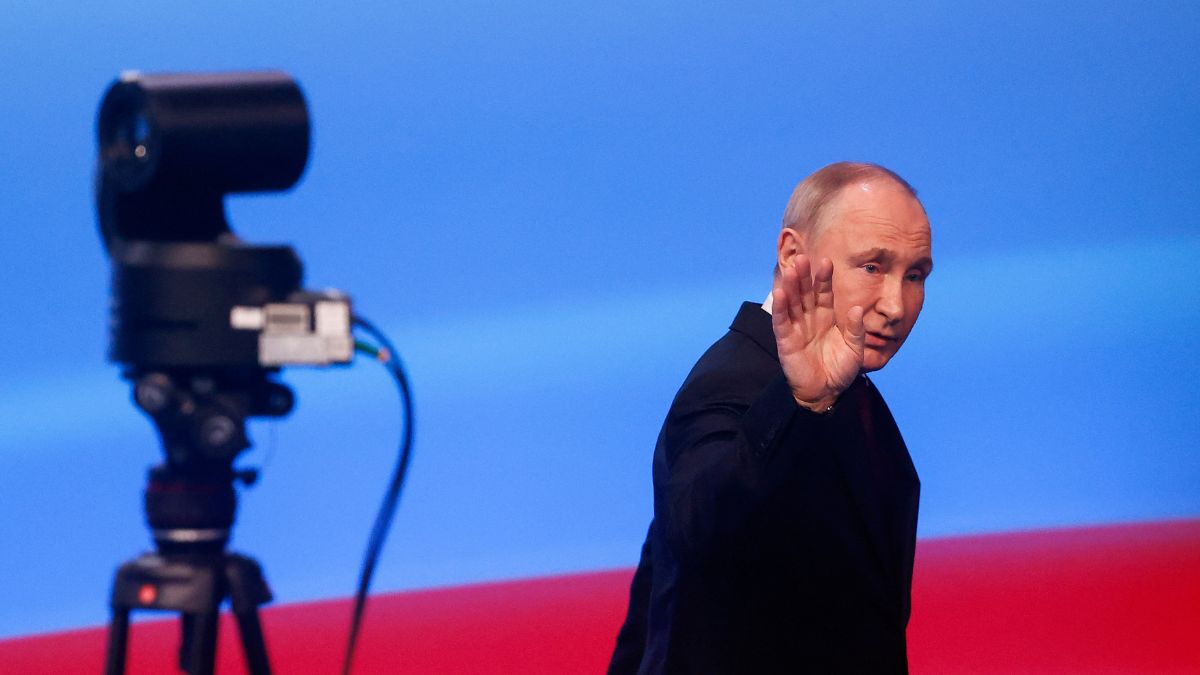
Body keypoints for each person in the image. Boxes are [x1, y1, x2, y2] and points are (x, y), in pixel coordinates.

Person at [608, 162, 933, 674]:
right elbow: (700, 528)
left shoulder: (848, 389)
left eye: (915, 275)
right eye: (872, 267)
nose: (895, 305)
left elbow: (659, 591)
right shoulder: (733, 380)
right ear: (791, 255)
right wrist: (798, 402)